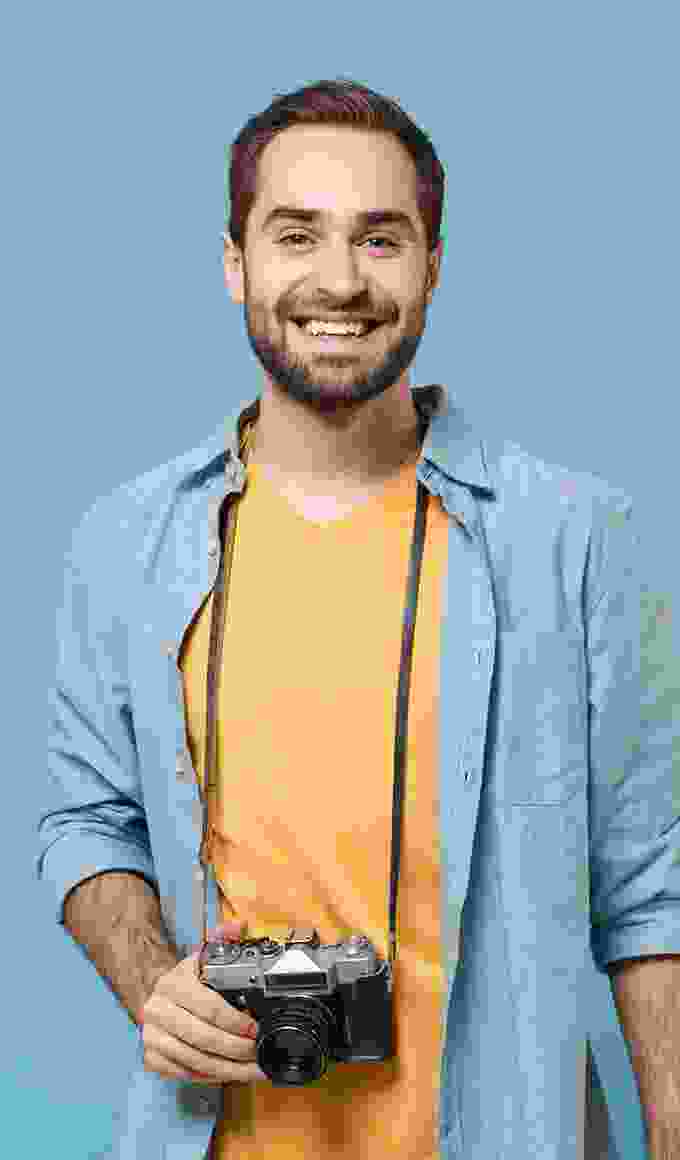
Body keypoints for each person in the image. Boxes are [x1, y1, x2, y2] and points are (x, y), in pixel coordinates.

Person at [37, 77, 680, 1160]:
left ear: (434, 265)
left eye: (380, 238)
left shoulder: (575, 537)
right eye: (297, 234)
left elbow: (651, 889)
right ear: (235, 261)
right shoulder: (121, 543)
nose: (338, 279)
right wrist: (151, 980)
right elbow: (86, 822)